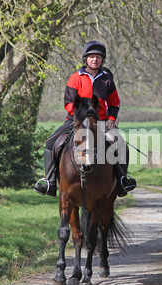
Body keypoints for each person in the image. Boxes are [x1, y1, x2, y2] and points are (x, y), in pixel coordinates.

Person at [34, 40, 136, 197]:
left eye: (98, 57)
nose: (95, 60)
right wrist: (78, 118)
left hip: (100, 123)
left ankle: (122, 180)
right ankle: (50, 181)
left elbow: (114, 103)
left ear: (102, 60)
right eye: (92, 57)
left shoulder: (107, 81)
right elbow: (69, 102)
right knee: (50, 143)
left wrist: (111, 119)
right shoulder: (75, 78)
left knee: (121, 144)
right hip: (75, 122)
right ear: (85, 59)